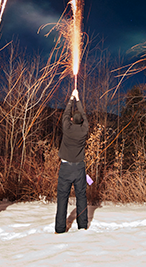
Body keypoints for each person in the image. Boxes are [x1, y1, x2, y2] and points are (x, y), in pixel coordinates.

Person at [55, 88, 89, 234]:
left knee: (62, 198)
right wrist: (79, 100)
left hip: (65, 168)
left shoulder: (67, 129)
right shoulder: (84, 130)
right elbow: (85, 116)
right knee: (81, 196)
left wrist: (71, 99)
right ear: (81, 121)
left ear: (70, 121)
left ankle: (60, 228)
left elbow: (65, 114)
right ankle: (83, 225)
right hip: (79, 168)